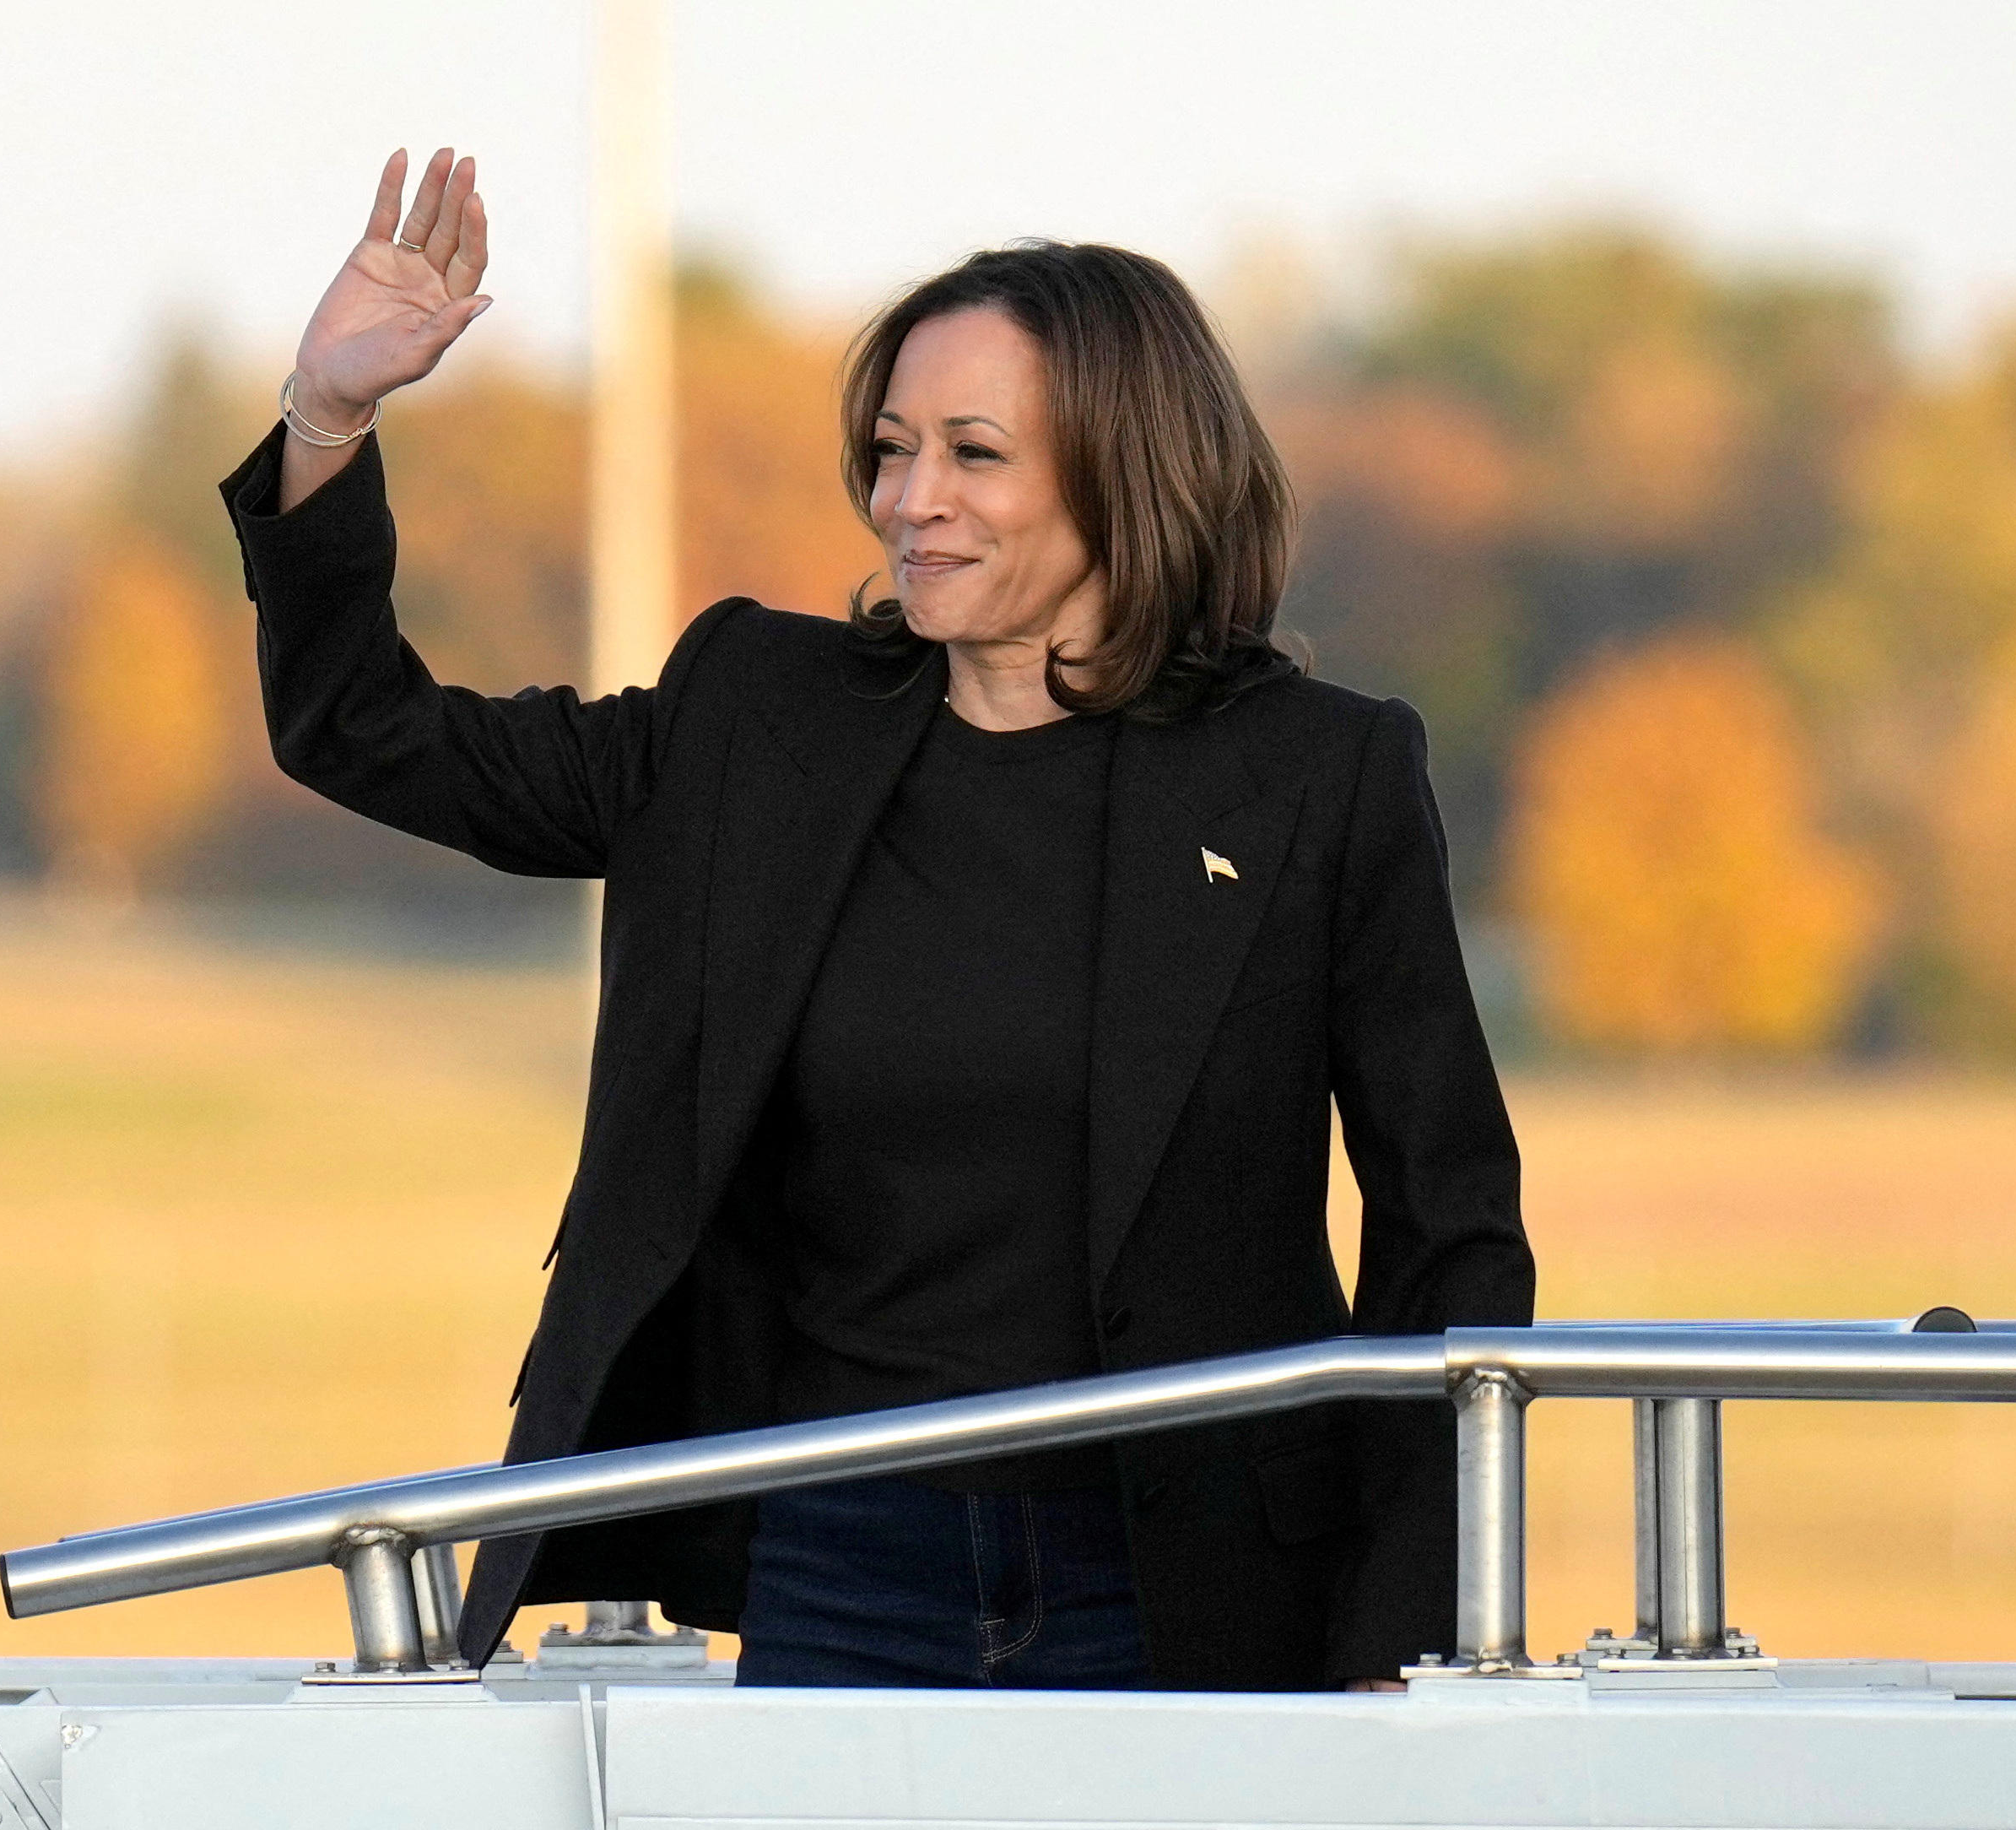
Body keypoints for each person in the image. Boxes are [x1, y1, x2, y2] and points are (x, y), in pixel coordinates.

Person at [220, 146, 1534, 1692]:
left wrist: (1405, 1629)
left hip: (1192, 1577)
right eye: (894, 448)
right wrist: (330, 412)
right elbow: (367, 732)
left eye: (974, 453)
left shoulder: (1321, 775)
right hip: (843, 1559)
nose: (910, 500)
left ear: (1128, 471)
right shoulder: (753, 721)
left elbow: (1449, 1228)